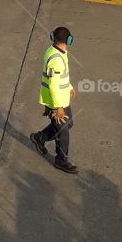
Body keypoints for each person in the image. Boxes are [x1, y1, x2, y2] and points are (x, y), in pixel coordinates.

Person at [30, 25, 78, 174]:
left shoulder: (55, 51)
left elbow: (61, 77)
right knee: (63, 131)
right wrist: (58, 107)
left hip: (62, 99)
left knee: (67, 124)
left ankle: (40, 137)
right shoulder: (56, 59)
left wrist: (69, 86)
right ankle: (61, 161)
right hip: (56, 101)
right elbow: (54, 85)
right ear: (69, 40)